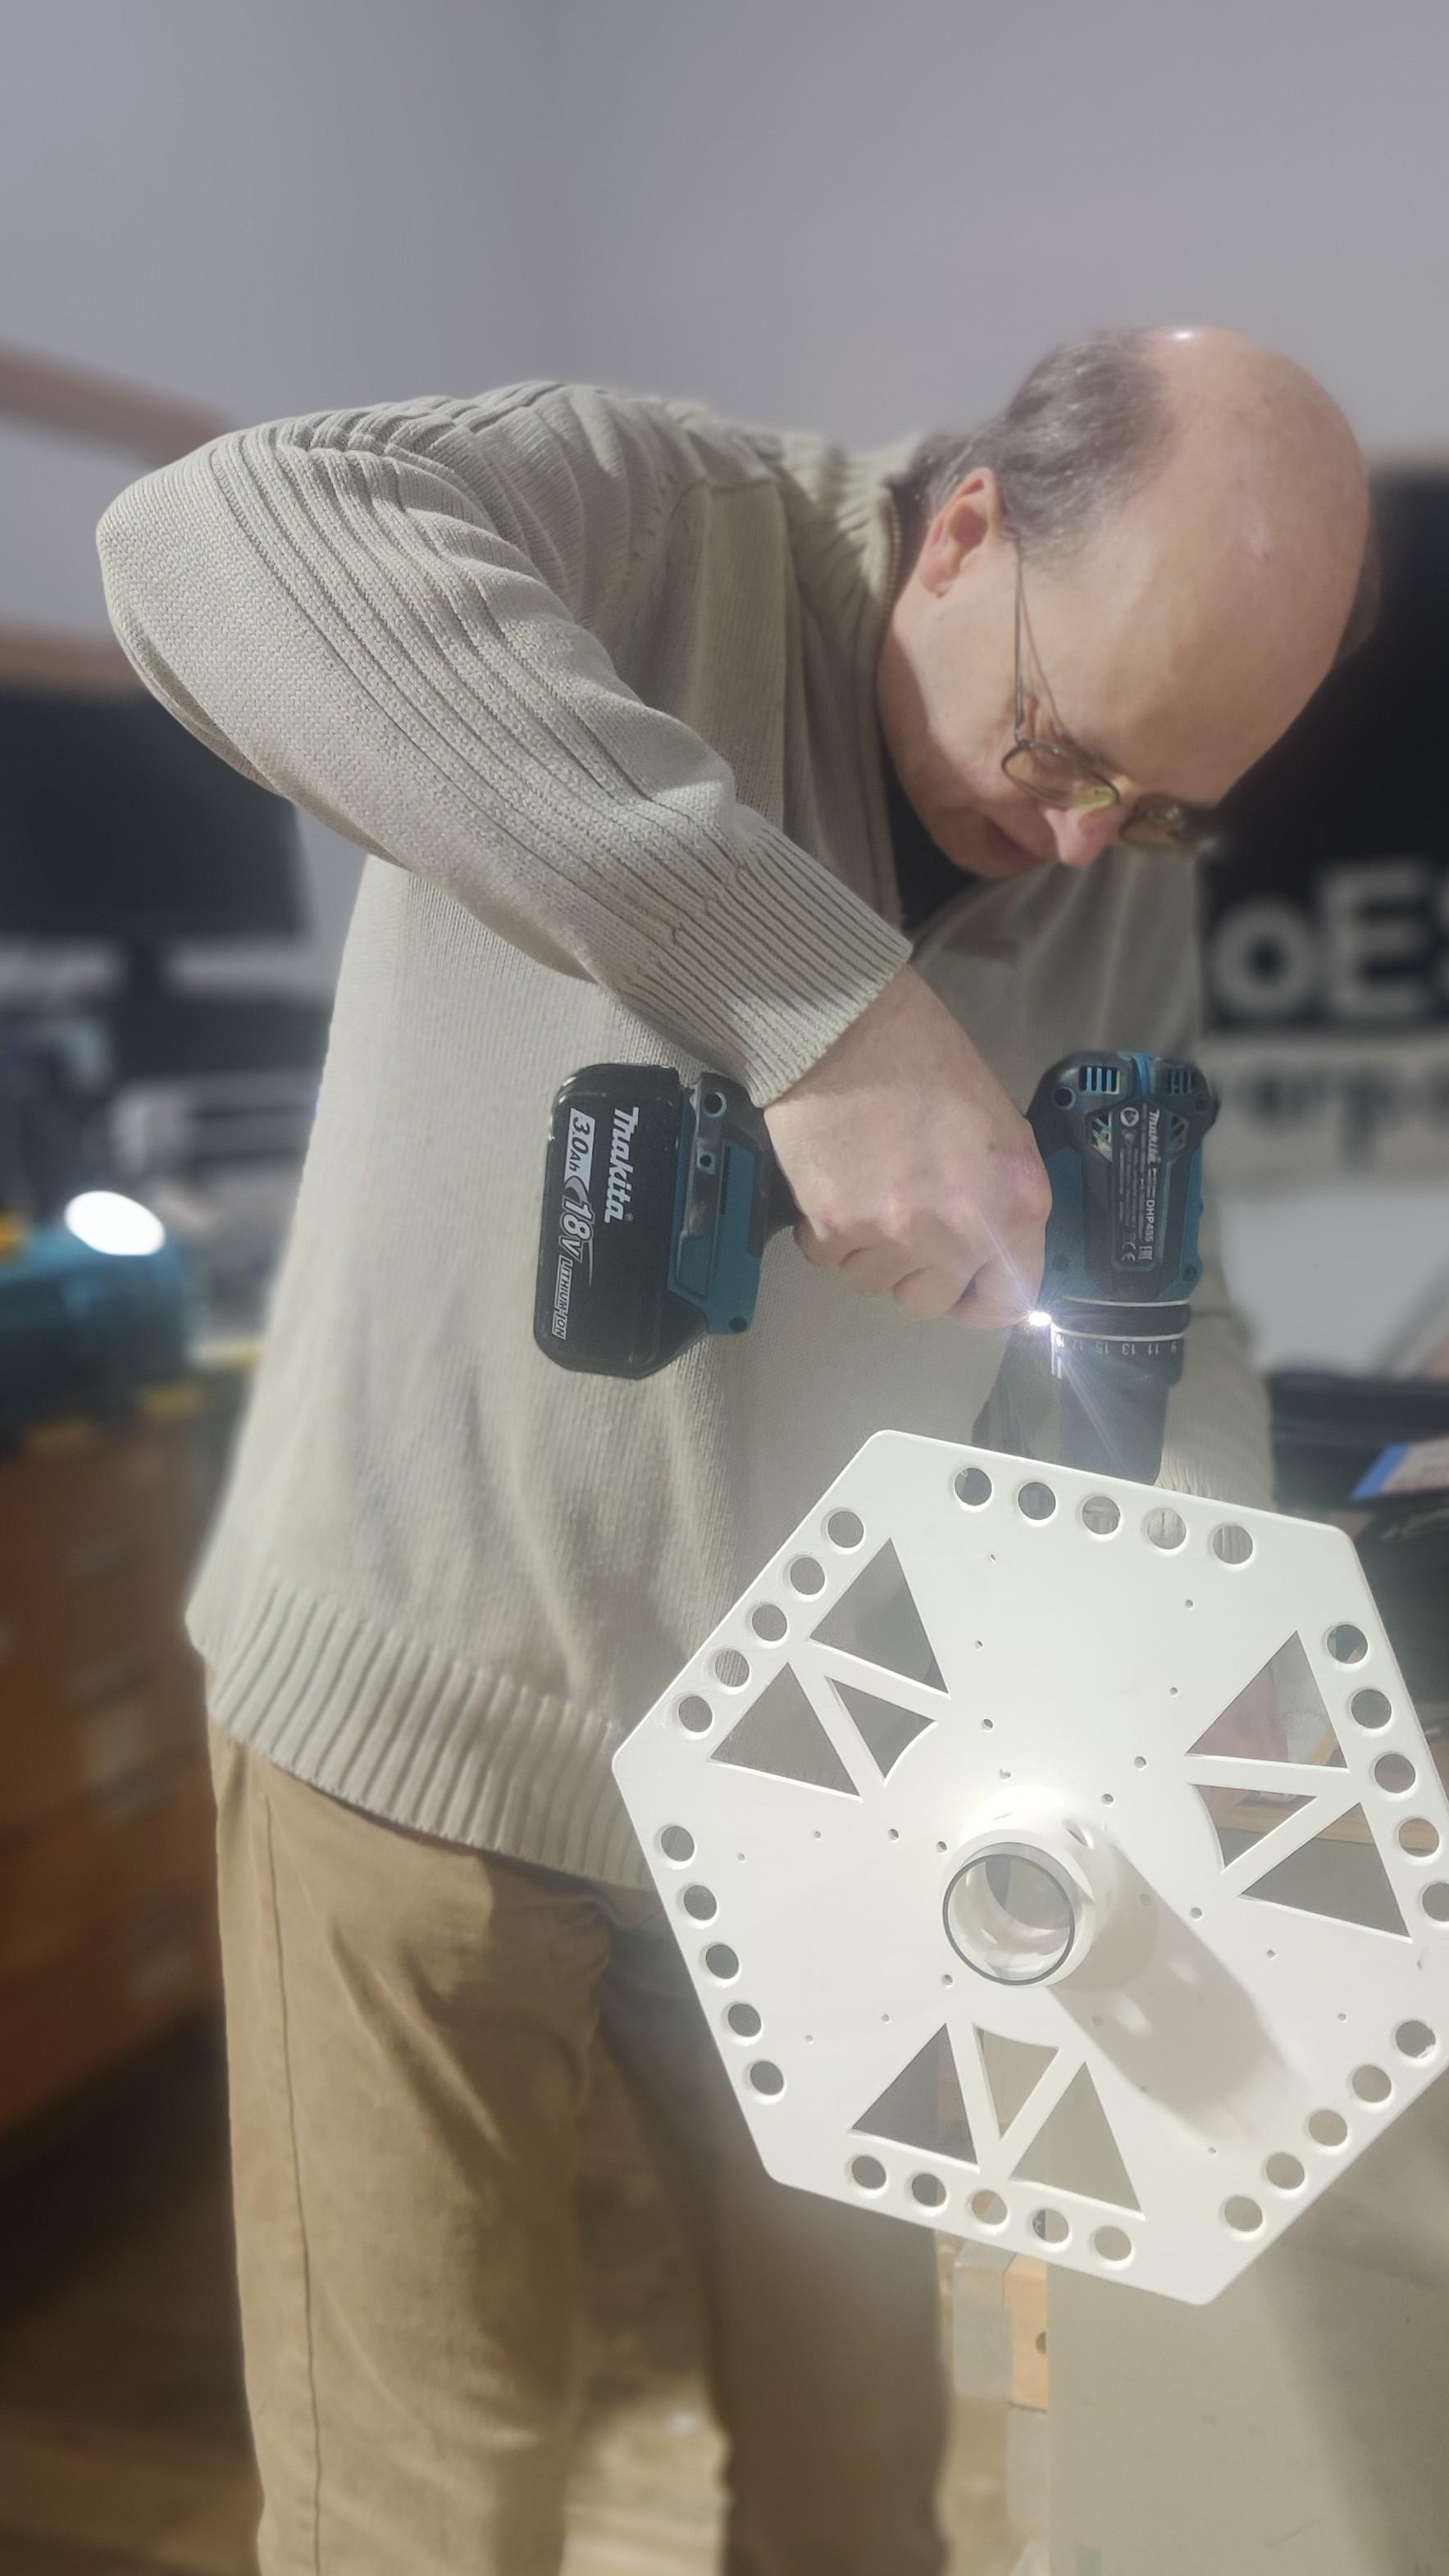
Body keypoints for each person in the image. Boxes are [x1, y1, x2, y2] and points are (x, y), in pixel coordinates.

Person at [98, 325, 1373, 2576]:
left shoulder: (1115, 855)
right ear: (965, 524)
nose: (1079, 841)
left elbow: (1152, 1302)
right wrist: (820, 1001)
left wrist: (1214, 1609)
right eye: (1061, 749)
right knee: (436, 2502)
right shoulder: (643, 525)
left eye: (1152, 805)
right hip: (418, 1732)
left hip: (828, 1786)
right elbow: (202, 537)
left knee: (866, 2474)